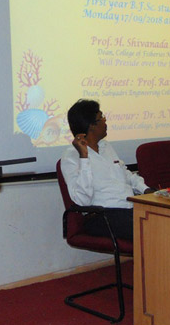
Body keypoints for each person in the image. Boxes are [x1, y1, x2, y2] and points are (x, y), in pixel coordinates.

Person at [60, 99, 151, 241]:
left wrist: (145, 189)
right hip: (102, 216)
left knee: (167, 220)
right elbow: (83, 200)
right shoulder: (71, 157)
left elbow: (125, 173)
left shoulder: (106, 146)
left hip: (129, 209)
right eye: (101, 117)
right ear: (91, 126)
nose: (105, 121)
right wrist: (84, 158)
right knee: (152, 230)